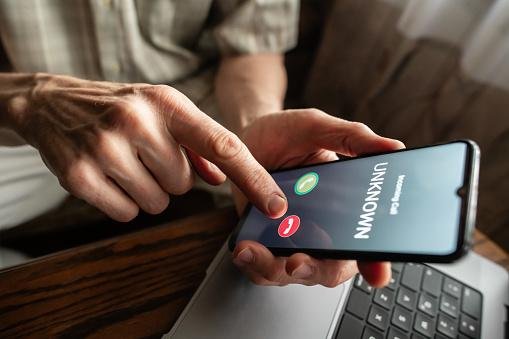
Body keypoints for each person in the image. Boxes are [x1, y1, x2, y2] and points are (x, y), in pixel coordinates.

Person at [0, 0, 403, 287]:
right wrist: (31, 96)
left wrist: (252, 124)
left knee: (302, 241)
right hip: (30, 123)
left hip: (199, 114)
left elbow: (251, 48)